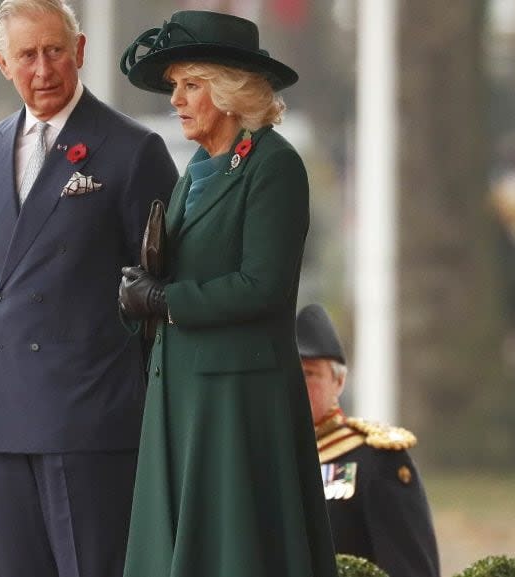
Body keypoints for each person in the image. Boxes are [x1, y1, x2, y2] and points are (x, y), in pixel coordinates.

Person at [117, 11, 336, 577]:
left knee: (235, 552)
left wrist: (167, 301)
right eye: (176, 87)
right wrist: (143, 290)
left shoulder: (275, 164)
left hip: (238, 400)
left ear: (231, 91)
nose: (177, 100)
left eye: (192, 85)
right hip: (185, 390)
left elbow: (263, 287)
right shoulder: (196, 168)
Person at [0, 1, 178, 576]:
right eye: (27, 55)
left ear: (79, 51)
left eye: (54, 50)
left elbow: (163, 293)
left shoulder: (134, 152)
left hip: (88, 415)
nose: (43, 68)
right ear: (2, 62)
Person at [297, 303, 440, 577]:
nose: (296, 383)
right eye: (289, 372)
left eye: (309, 373)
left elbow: (409, 568)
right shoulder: (262, 459)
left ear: (339, 382)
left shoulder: (375, 460)